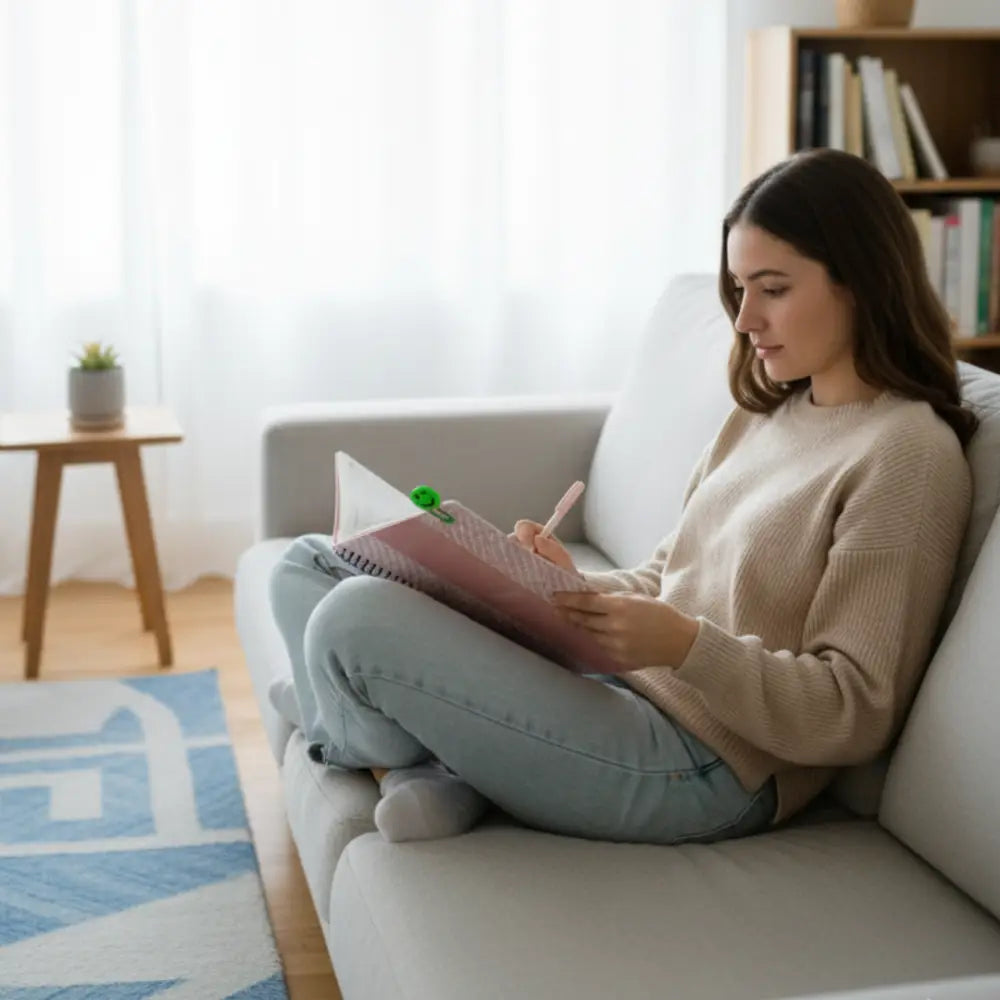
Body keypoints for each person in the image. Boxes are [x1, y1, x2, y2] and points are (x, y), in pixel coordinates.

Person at [267, 148, 977, 845]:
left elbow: (853, 710)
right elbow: (670, 574)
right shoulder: (766, 415)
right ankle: (430, 765)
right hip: (627, 687)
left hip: (705, 765)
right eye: (739, 289)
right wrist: (558, 586)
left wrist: (689, 648)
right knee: (309, 565)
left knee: (355, 620)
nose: (743, 319)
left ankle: (376, 740)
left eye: (774, 288)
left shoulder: (906, 455)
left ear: (860, 281)